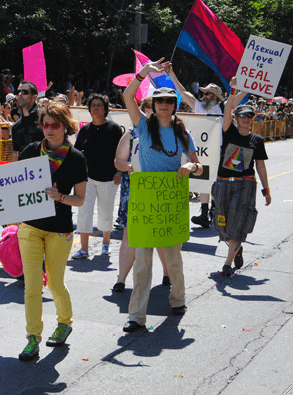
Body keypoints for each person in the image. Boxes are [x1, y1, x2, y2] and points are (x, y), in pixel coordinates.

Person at [0, 101, 87, 361]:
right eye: (45, 124)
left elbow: (81, 199)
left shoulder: (75, 158)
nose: (48, 130)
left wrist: (60, 197)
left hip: (59, 230)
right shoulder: (31, 151)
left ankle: (64, 322)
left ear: (65, 127)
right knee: (31, 285)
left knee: (54, 282)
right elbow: (13, 188)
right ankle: (32, 339)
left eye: (54, 125)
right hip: (29, 228)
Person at [121, 60, 203, 333]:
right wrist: (146, 70)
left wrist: (189, 166)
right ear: (153, 105)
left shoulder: (182, 132)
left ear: (174, 104)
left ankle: (178, 300)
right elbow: (126, 96)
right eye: (160, 101)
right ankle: (136, 316)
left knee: (173, 258)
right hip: (146, 202)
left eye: (169, 100)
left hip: (170, 203)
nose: (164, 104)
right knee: (142, 261)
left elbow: (198, 165)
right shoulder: (143, 126)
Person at [113, 97, 170, 291]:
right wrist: (129, 166)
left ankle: (167, 273)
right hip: (135, 190)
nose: (149, 114)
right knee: (129, 235)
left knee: (160, 235)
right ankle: (121, 278)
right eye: (146, 109)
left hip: (159, 191)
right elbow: (118, 161)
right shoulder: (131, 134)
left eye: (152, 110)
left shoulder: (168, 133)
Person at [212, 85, 271, 276]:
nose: (246, 120)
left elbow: (260, 166)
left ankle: (227, 264)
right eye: (242, 116)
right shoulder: (228, 132)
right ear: (236, 119)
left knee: (238, 222)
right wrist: (238, 90)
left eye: (249, 116)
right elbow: (228, 107)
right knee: (221, 224)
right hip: (222, 182)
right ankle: (235, 247)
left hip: (246, 184)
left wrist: (266, 189)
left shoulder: (257, 140)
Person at [164, 63, 224, 228]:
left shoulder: (221, 111)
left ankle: (214, 211)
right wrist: (172, 73)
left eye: (208, 94)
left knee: (213, 182)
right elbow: (183, 92)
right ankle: (204, 213)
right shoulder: (200, 106)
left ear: (216, 97)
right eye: (203, 93)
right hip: (201, 150)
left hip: (215, 151)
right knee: (203, 180)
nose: (204, 95)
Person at [72, 94, 123, 258]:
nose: (95, 107)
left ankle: (106, 243)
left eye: (99, 105)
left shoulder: (114, 129)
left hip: (109, 179)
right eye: (93, 105)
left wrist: (119, 172)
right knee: (84, 212)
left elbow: (122, 153)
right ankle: (84, 249)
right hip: (87, 179)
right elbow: (77, 154)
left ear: (105, 109)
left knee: (105, 212)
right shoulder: (85, 130)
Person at [10, 81, 44, 161]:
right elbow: (15, 153)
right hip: (25, 171)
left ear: (34, 97)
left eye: (24, 92)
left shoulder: (44, 120)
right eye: (18, 91)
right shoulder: (16, 127)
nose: (20, 94)